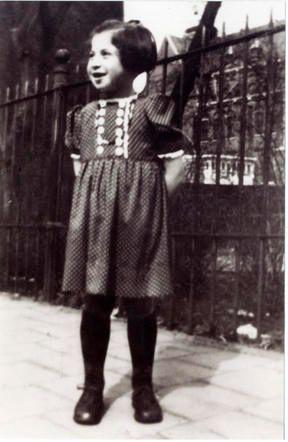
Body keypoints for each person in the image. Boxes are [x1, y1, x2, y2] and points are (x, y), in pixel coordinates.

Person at [62, 19, 192, 426]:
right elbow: (81, 169)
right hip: (96, 223)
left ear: (134, 62)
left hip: (140, 221)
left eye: (106, 54)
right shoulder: (81, 117)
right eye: (91, 54)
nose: (94, 62)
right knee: (95, 303)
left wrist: (151, 208)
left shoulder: (150, 110)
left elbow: (178, 163)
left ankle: (143, 388)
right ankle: (93, 388)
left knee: (140, 305)